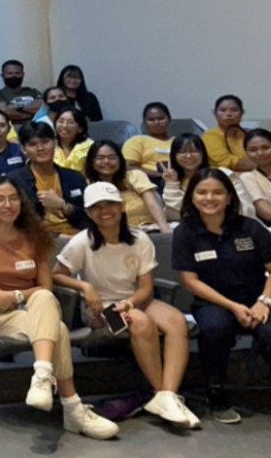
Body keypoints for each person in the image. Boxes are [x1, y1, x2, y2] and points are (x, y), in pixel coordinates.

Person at [0, 177, 117, 439]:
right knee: (60, 331)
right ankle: (73, 411)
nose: (8, 205)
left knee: (44, 300)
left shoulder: (35, 236)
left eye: (13, 198)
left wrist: (18, 294)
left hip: (34, 306)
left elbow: (45, 288)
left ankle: (42, 376)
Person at [52, 185, 199, 429]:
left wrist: (130, 303)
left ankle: (168, 396)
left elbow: (146, 288)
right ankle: (160, 392)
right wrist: (86, 288)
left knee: (176, 321)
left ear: (121, 207)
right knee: (140, 321)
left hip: (135, 300)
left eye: (110, 204)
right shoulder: (81, 242)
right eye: (96, 207)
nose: (104, 211)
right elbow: (57, 275)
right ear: (88, 213)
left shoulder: (140, 239)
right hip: (100, 310)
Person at [173, 169, 271, 425]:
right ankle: (216, 391)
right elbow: (190, 281)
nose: (209, 198)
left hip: (259, 298)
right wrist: (233, 307)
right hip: (213, 301)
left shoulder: (250, 227)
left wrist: (264, 301)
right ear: (192, 197)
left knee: (269, 330)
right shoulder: (185, 233)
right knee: (216, 328)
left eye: (217, 192)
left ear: (229, 197)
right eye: (202, 192)